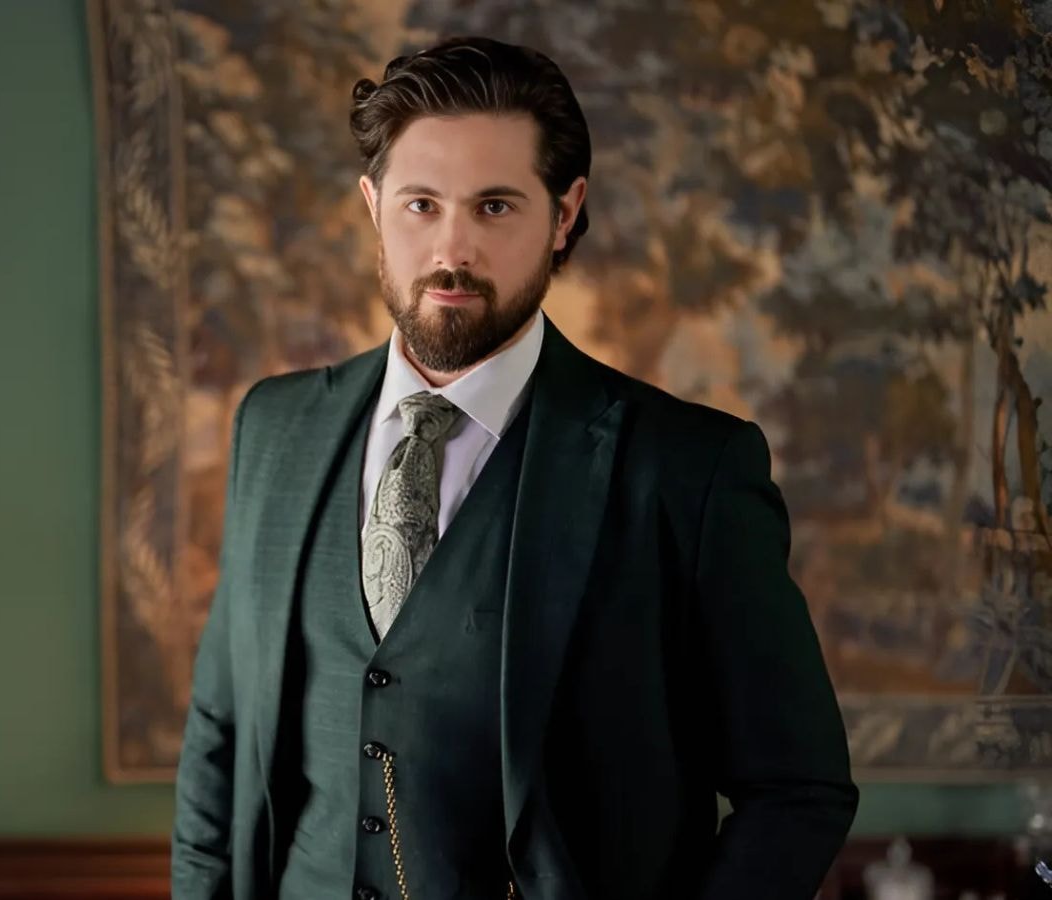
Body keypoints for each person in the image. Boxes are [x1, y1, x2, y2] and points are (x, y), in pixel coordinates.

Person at [171, 35, 857, 900]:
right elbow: (221, 734)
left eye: (494, 207)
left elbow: (798, 790)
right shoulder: (272, 429)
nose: (451, 251)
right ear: (372, 203)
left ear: (564, 213)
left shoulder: (690, 471)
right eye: (421, 204)